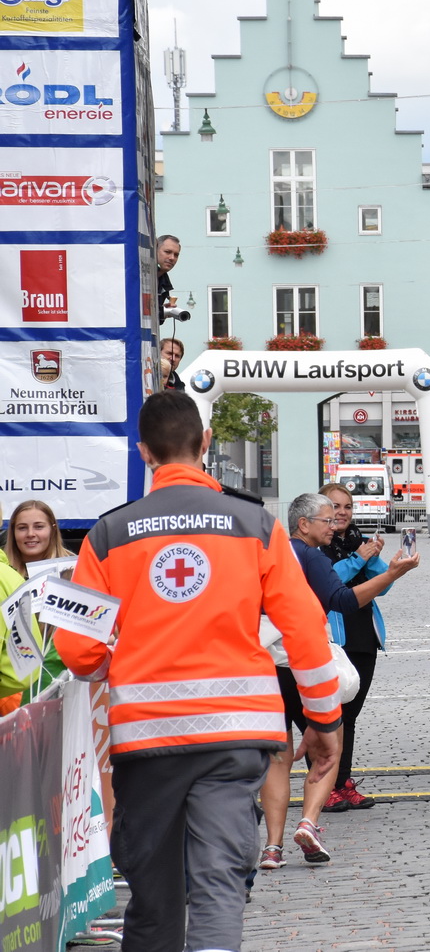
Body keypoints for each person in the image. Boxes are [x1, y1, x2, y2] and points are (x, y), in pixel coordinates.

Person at [53, 391, 342, 952]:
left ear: (143, 453)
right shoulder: (255, 524)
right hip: (236, 735)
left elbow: (79, 652)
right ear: (206, 443)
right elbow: (306, 629)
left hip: (147, 738)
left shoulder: (108, 534)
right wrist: (324, 717)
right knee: (219, 881)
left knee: (154, 895)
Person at [261, 492, 419, 867]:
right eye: (326, 520)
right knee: (329, 749)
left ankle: (272, 847)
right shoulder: (309, 556)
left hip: (265, 667)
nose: (334, 527)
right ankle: (309, 822)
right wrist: (391, 574)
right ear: (303, 524)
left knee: (277, 757)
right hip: (305, 664)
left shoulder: (266, 554)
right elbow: (344, 601)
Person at [316, 482, 395, 812]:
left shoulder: (357, 542)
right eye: (335, 506)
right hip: (335, 639)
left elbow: (382, 588)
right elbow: (328, 579)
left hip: (364, 636)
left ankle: (343, 781)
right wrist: (357, 559)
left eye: (347, 506)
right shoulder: (316, 546)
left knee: (350, 715)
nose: (342, 512)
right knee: (330, 716)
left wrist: (383, 563)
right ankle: (325, 785)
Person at [0, 500, 71, 711]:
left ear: (53, 529)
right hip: (12, 694)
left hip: (58, 684)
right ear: (12, 532)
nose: (30, 534)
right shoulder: (7, 572)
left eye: (39, 526)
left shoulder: (74, 570)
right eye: (22, 528)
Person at [155, 233, 181, 323]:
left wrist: (163, 311)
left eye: (176, 255)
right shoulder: (140, 274)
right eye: (167, 252)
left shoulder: (164, 282)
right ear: (155, 250)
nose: (172, 258)